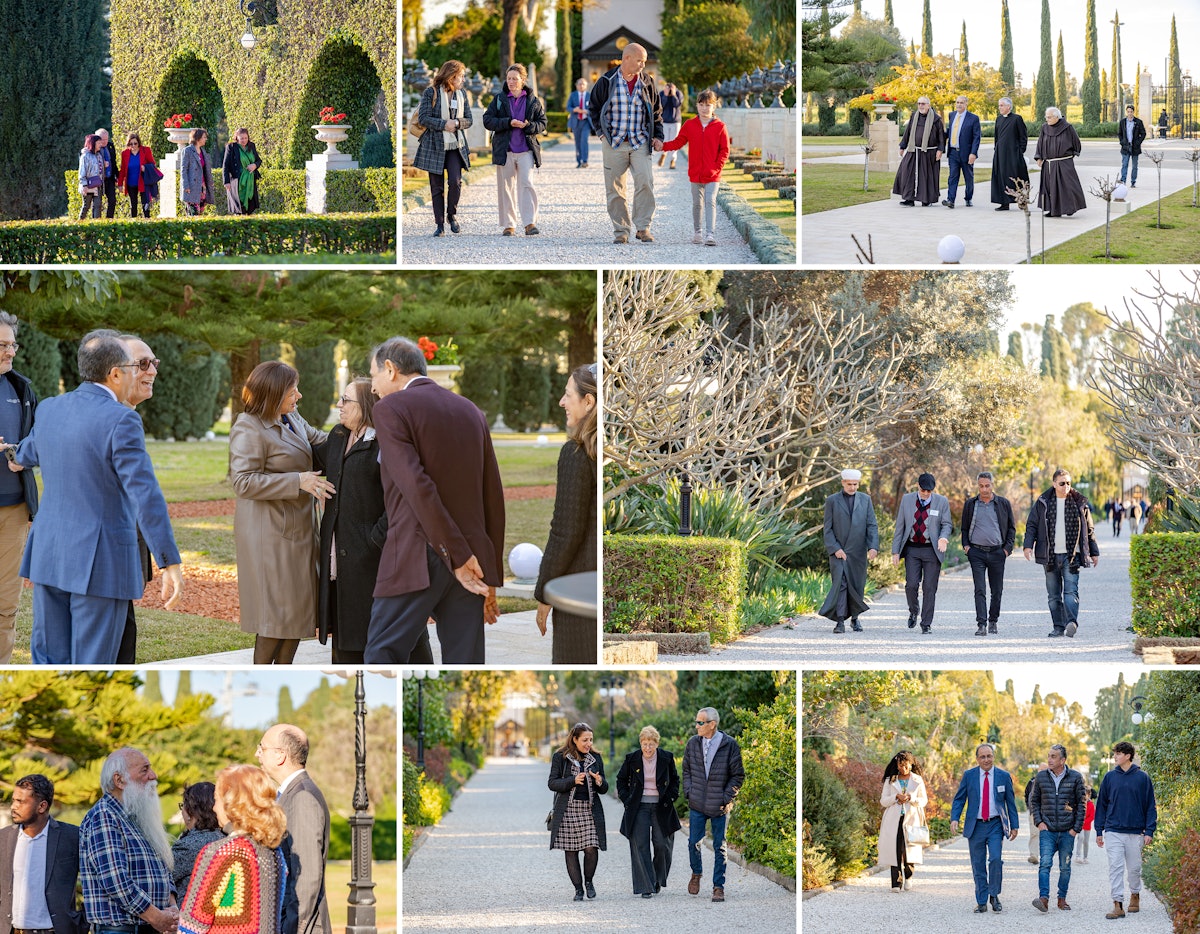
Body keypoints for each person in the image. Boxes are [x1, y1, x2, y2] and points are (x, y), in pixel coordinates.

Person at [10, 330, 182, 664]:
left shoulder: (50, 409)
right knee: (92, 666)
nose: (142, 372)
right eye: (135, 366)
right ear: (115, 373)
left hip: (50, 557)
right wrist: (169, 561)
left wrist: (10, 455)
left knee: (49, 662)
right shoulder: (122, 420)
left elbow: (26, 453)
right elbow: (145, 495)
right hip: (100, 566)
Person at [365, 337, 505, 664]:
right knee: (466, 663)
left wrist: (454, 554)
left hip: (418, 555)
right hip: (472, 561)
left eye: (373, 377)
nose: (373, 388)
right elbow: (492, 497)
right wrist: (489, 571)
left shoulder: (389, 409)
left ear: (390, 369)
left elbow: (416, 486)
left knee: (380, 655)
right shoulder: (471, 410)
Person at [313, 378, 431, 664]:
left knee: (395, 636)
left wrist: (375, 538)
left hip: (376, 558)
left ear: (365, 406)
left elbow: (402, 496)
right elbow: (307, 456)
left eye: (346, 400)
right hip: (341, 561)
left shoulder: (384, 442)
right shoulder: (339, 435)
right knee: (347, 641)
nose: (339, 405)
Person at [229, 361, 330, 665]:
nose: (298, 396)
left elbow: (321, 440)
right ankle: (264, 675)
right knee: (275, 616)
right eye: (292, 390)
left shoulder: (292, 417)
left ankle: (283, 671)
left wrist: (360, 432)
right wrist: (298, 481)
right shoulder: (248, 427)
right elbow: (242, 481)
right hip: (269, 535)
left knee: (295, 614)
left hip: (298, 531)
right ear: (273, 393)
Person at [533, 365, 597, 663]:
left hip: (577, 590)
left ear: (589, 402)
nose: (561, 401)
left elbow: (565, 531)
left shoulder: (577, 453)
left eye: (568, 394)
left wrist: (546, 591)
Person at [178, 766, 288, 934]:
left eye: (217, 800)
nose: (214, 808)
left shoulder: (220, 853)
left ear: (232, 803)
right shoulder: (274, 854)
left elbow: (191, 926)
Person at [80, 748, 177, 934]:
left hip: (149, 926)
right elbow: (115, 881)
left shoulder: (135, 816)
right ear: (119, 780)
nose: (153, 776)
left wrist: (172, 907)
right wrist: (158, 918)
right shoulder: (104, 816)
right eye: (144, 770)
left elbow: (164, 871)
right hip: (122, 929)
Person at [113, 334, 161, 664]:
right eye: (143, 363)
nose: (153, 370)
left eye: (154, 363)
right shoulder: (114, 417)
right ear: (116, 371)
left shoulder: (128, 415)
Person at [587, 42, 665, 244]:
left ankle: (643, 228)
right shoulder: (606, 80)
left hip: (640, 141)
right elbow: (593, 108)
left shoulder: (647, 81)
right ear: (627, 58)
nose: (642, 65)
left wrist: (658, 136)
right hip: (614, 142)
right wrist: (601, 134)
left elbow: (656, 111)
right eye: (640, 60)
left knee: (645, 182)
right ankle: (621, 231)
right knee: (615, 189)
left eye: (645, 61)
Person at [256, 724, 330, 934]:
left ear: (280, 755)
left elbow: (307, 876)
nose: (257, 754)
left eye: (262, 748)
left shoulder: (302, 797)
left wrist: (292, 929)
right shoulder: (290, 794)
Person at [0, 312, 38, 664]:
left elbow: (40, 440)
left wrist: (24, 455)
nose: (10, 352)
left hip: (14, 510)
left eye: (12, 344)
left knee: (6, 601)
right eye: (2, 345)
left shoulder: (21, 388)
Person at [0, 774, 83, 934]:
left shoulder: (72, 837)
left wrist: (81, 924)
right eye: (13, 800)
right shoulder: (3, 838)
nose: (13, 807)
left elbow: (92, 881)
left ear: (42, 806)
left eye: (21, 802)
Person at [1023, 468, 1100, 638]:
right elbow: (1032, 525)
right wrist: (1028, 546)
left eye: (1069, 483)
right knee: (1053, 595)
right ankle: (1058, 627)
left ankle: (1071, 622)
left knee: (1071, 591)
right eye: (1062, 483)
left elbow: (1089, 529)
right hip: (1049, 556)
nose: (1066, 486)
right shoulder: (1043, 502)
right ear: (1054, 484)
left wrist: (1094, 552)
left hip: (1072, 555)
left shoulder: (1079, 502)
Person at [682, 707, 744, 903]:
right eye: (697, 722)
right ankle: (697, 873)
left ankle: (718, 887)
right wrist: (690, 792)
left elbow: (738, 775)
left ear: (712, 724)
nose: (697, 726)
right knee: (693, 842)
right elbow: (686, 771)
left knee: (720, 846)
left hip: (719, 806)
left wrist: (726, 798)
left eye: (701, 722)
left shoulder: (730, 745)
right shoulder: (693, 743)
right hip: (697, 803)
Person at [950, 743, 1019, 914]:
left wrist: (1014, 825)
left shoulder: (1003, 776)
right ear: (977, 759)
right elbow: (959, 799)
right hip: (976, 826)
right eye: (983, 757)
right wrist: (954, 818)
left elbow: (1010, 802)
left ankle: (994, 895)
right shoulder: (969, 775)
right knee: (978, 863)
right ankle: (981, 901)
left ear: (993, 757)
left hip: (996, 824)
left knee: (995, 859)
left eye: (989, 756)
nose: (986, 759)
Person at [616, 725, 681, 898]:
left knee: (662, 844)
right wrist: (627, 799)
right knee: (641, 845)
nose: (647, 748)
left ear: (657, 744)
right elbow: (620, 780)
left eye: (651, 744)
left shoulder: (666, 758)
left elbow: (675, 779)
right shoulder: (632, 759)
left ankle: (657, 879)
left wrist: (672, 796)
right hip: (639, 807)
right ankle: (646, 885)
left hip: (661, 806)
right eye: (644, 743)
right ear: (640, 743)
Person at [482, 63, 546, 237]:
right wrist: (507, 122)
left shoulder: (532, 100)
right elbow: (487, 120)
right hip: (506, 151)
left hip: (526, 150)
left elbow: (542, 123)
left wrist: (528, 126)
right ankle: (509, 225)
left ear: (523, 80)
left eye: (514, 79)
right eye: (509, 78)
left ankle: (529, 223)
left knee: (527, 184)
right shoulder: (499, 99)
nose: (511, 82)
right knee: (506, 187)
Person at [1095, 741, 1157, 919]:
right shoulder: (1109, 777)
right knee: (1115, 867)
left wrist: (1149, 831)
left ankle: (1135, 894)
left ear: (1128, 756)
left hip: (1135, 831)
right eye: (1114, 753)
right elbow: (1102, 805)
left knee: (1134, 869)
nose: (1115, 756)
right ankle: (1117, 904)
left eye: (1118, 753)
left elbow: (1150, 806)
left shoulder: (1142, 778)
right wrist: (1099, 830)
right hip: (1113, 830)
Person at [660, 89, 730, 246]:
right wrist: (661, 146)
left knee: (710, 201)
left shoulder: (720, 126)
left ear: (714, 106)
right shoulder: (690, 125)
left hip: (713, 174)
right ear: (697, 105)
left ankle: (710, 235)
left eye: (708, 105)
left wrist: (716, 168)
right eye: (701, 105)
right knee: (697, 203)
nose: (705, 108)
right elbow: (678, 142)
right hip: (695, 173)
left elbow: (725, 150)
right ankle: (698, 233)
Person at [548, 722, 608, 902]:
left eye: (590, 739)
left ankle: (589, 882)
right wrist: (572, 780)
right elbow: (552, 783)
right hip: (567, 810)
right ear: (574, 739)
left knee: (591, 848)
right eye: (584, 740)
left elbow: (604, 788)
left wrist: (599, 781)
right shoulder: (560, 757)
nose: (588, 743)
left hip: (588, 810)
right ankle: (578, 889)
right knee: (571, 850)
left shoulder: (595, 757)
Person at [413, 59, 473, 237]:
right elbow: (423, 118)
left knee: (455, 182)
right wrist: (443, 124)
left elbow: (469, 119)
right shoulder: (430, 93)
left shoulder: (462, 95)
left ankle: (451, 215)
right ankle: (439, 224)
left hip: (456, 145)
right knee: (436, 187)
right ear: (451, 76)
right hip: (435, 146)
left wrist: (456, 123)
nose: (463, 80)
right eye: (461, 76)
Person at [818, 469, 879, 632]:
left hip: (858, 552)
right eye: (850, 484)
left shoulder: (865, 500)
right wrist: (835, 548)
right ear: (843, 483)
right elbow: (828, 528)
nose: (853, 487)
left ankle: (855, 618)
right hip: (839, 552)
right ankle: (839, 621)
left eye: (855, 484)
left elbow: (871, 525)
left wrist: (873, 546)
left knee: (857, 585)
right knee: (841, 584)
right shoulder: (832, 500)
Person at [891, 472, 952, 633]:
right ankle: (913, 610)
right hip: (912, 549)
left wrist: (943, 538)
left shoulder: (942, 502)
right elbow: (900, 527)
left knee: (929, 588)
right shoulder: (907, 500)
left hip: (932, 550)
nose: (925, 494)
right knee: (911, 585)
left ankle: (926, 624)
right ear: (918, 486)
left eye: (929, 491)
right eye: (923, 490)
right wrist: (895, 551)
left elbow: (947, 525)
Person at [1029, 744, 1086, 912]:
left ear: (1063, 760)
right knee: (1045, 864)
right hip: (1048, 830)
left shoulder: (1075, 777)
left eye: (1053, 756)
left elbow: (1082, 805)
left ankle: (1062, 899)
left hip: (1067, 831)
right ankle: (1044, 899)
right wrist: (1039, 823)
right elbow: (1034, 802)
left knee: (1065, 867)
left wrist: (1075, 829)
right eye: (1049, 756)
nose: (1049, 759)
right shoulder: (1041, 777)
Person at [961, 471, 1016, 635]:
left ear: (993, 485)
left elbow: (1012, 528)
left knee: (997, 590)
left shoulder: (1003, 504)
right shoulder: (971, 504)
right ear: (977, 485)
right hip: (976, 552)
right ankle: (982, 624)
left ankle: (993, 621)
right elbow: (964, 528)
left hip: (997, 553)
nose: (984, 489)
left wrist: (1006, 550)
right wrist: (966, 547)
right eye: (981, 486)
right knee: (980, 589)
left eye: (987, 486)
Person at [878, 751, 928, 893]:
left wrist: (911, 798)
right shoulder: (891, 780)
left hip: (912, 819)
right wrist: (896, 797)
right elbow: (883, 801)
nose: (903, 768)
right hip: (894, 820)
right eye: (900, 765)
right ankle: (896, 882)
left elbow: (923, 801)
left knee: (909, 849)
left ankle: (909, 877)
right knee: (895, 850)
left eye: (905, 765)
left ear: (911, 765)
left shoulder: (918, 780)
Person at [170, 782, 224, 899]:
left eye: (182, 807)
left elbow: (161, 879)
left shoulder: (187, 847)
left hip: (188, 914)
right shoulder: (225, 838)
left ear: (190, 812)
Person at [1034, 107, 1086, 217]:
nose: (1047, 119)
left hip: (1064, 163)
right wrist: (1039, 157)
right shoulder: (1044, 128)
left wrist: (1071, 155)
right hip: (1048, 163)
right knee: (1050, 187)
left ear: (1056, 117)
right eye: (1046, 117)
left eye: (1049, 117)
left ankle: (1069, 208)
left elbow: (1076, 143)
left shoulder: (1067, 128)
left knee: (1067, 187)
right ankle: (1053, 210)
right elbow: (1040, 143)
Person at [893, 97, 944, 206]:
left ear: (929, 105)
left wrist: (940, 150)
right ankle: (909, 199)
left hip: (929, 152)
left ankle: (926, 200)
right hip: (913, 150)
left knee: (926, 177)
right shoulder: (914, 116)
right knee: (907, 173)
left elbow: (941, 137)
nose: (921, 106)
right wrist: (902, 146)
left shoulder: (936, 119)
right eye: (919, 103)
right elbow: (908, 132)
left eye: (923, 104)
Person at [941, 95, 981, 208]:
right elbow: (950, 132)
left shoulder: (973, 118)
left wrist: (973, 153)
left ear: (966, 104)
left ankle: (968, 198)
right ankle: (951, 200)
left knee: (968, 177)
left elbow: (976, 137)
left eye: (961, 103)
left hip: (966, 153)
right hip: (953, 152)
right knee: (952, 176)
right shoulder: (952, 115)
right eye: (957, 102)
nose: (959, 104)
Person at [990, 97, 1029, 210]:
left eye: (1002, 105)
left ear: (1008, 107)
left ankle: (1022, 200)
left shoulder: (1017, 119)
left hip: (1013, 154)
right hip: (1000, 155)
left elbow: (1023, 136)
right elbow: (996, 137)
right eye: (999, 105)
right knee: (1001, 177)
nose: (1000, 108)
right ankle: (1004, 202)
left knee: (1016, 176)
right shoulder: (999, 119)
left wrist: (1020, 151)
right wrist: (996, 150)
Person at [221, 127, 262, 215]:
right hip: (236, 180)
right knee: (239, 207)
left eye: (246, 138)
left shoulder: (252, 146)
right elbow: (225, 165)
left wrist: (254, 165)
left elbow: (258, 160)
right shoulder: (231, 147)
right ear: (237, 138)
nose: (244, 140)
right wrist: (226, 181)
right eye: (241, 138)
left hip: (250, 180)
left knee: (250, 206)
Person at [116, 133, 158, 219]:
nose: (133, 145)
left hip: (143, 182)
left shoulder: (145, 150)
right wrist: (120, 184)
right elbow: (123, 169)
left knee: (145, 203)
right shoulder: (125, 153)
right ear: (128, 144)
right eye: (131, 144)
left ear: (139, 143)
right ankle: (134, 223)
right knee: (133, 204)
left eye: (135, 143)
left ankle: (147, 222)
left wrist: (145, 167)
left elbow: (153, 164)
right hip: (131, 183)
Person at [180, 128, 212, 216]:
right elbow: (184, 169)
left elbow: (206, 169)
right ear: (198, 138)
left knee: (200, 213)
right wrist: (186, 186)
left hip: (202, 187)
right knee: (193, 214)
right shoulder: (187, 151)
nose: (206, 139)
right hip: (191, 188)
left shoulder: (203, 152)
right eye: (204, 137)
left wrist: (209, 183)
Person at [1117, 105, 1146, 189]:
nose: (1130, 113)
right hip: (1125, 147)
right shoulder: (1123, 122)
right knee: (1124, 164)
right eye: (1128, 112)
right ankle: (1123, 181)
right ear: (1127, 112)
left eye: (1131, 112)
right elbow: (1120, 133)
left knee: (1134, 166)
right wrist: (1122, 142)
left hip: (1135, 147)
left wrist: (1138, 142)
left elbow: (1143, 133)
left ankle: (1133, 182)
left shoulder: (1138, 122)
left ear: (1133, 112)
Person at [78, 134, 105, 219]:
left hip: (98, 185)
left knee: (97, 206)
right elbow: (82, 172)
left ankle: (97, 225)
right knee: (86, 206)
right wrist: (84, 185)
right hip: (88, 184)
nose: (100, 144)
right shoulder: (85, 156)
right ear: (93, 143)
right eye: (98, 143)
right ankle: (79, 224)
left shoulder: (99, 155)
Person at [1025, 764, 1047, 864]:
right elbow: (1026, 794)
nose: (1042, 771)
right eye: (1040, 770)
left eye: (1044, 770)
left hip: (1047, 812)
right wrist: (1029, 807)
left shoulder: (1051, 782)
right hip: (1034, 812)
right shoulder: (1032, 781)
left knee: (1045, 834)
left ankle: (1045, 855)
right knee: (1034, 833)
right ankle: (1034, 855)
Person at [658, 82, 683, 168]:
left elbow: (677, 104)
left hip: (675, 121)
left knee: (674, 141)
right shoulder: (661, 93)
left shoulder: (678, 93)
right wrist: (665, 95)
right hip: (664, 121)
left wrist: (673, 94)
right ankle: (663, 155)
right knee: (664, 140)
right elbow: (660, 106)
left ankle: (673, 160)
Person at [567, 78, 591, 168]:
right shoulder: (573, 95)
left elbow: (594, 108)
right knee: (577, 142)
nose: (581, 86)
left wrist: (587, 111)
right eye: (579, 84)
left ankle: (585, 161)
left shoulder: (589, 95)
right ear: (576, 85)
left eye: (583, 84)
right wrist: (574, 109)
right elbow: (568, 107)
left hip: (586, 122)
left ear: (586, 86)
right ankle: (579, 161)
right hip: (575, 122)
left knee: (584, 140)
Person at [97, 129, 119, 218]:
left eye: (106, 139)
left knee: (112, 200)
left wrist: (117, 176)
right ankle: (96, 221)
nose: (105, 141)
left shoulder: (110, 146)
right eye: (102, 139)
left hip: (109, 178)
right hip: (98, 179)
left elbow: (113, 162)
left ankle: (109, 220)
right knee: (97, 203)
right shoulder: (94, 148)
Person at [1075, 787, 1096, 864]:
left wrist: (1085, 822)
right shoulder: (1080, 803)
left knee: (1086, 842)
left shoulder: (1091, 805)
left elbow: (1092, 816)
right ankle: (1078, 856)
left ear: (1089, 795)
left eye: (1085, 795)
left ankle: (1085, 857)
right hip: (1080, 825)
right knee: (1080, 837)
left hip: (1087, 826)